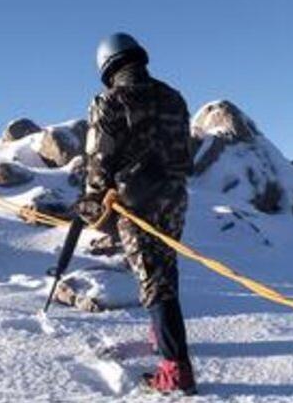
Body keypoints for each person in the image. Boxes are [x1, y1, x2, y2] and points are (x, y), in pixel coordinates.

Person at [74, 33, 197, 395]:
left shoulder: (110, 101)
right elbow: (185, 154)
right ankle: (162, 337)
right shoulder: (174, 97)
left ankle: (176, 370)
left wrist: (93, 202)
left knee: (152, 280)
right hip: (175, 197)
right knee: (165, 266)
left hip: (136, 203)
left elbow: (98, 163)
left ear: (107, 66)